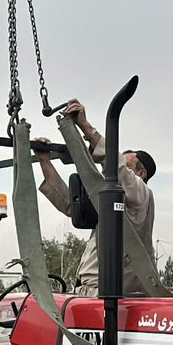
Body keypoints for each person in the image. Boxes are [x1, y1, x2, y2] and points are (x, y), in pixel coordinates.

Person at [34, 99, 158, 296]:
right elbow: (70, 205)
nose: (116, 172)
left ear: (141, 174)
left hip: (107, 291)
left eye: (127, 166)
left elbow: (115, 167)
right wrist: (44, 160)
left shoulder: (140, 192)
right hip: (95, 289)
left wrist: (85, 126)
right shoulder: (113, 205)